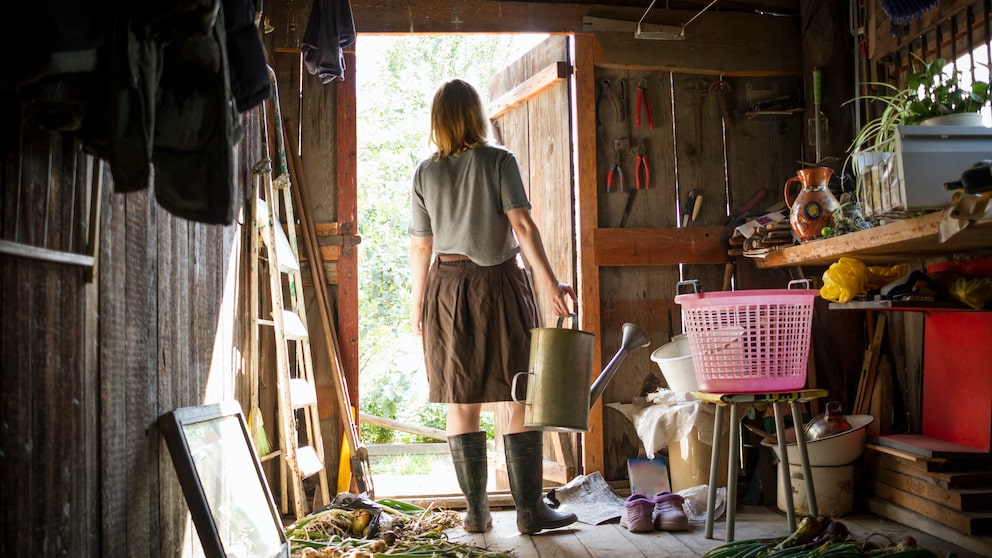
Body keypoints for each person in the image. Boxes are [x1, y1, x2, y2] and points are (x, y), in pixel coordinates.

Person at [408, 78, 578, 535]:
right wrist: (551, 283)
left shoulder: (425, 173)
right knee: (520, 391)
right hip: (501, 283)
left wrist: (419, 302)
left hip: (447, 289)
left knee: (461, 399)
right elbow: (521, 224)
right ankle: (529, 512)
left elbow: (422, 247)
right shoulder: (500, 161)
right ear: (476, 115)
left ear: (438, 121)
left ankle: (477, 513)